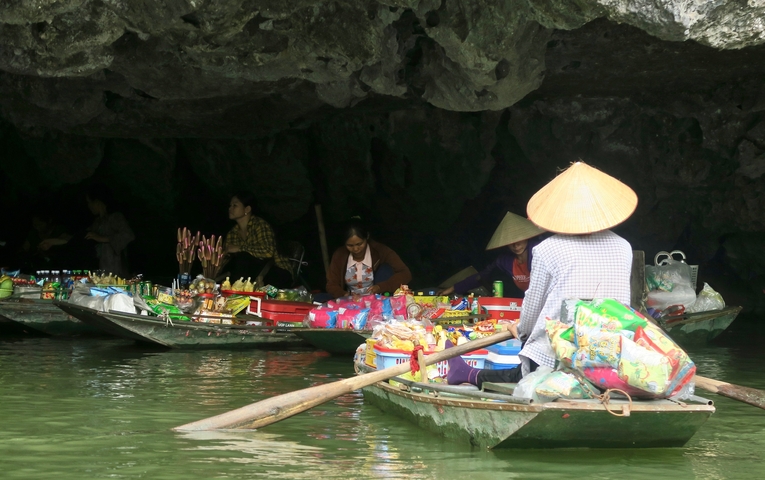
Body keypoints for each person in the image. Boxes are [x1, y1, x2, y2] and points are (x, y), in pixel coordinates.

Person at [447, 162, 636, 388]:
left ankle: (469, 375)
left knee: (532, 355)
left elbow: (532, 310)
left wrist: (521, 329)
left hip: (564, 350)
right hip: (612, 349)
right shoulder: (624, 246)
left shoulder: (548, 249)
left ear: (560, 211)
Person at [439, 212, 546, 297]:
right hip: (526, 300)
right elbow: (481, 276)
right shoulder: (505, 260)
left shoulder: (540, 251)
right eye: (511, 242)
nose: (516, 245)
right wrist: (453, 288)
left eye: (520, 240)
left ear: (527, 237)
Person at [222, 192, 294, 287]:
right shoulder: (232, 233)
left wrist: (239, 248)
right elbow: (225, 258)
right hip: (253, 274)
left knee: (243, 256)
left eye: (235, 205)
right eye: (230, 205)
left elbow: (268, 251)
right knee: (234, 264)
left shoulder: (260, 225)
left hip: (278, 272)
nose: (230, 208)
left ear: (247, 209)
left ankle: (237, 292)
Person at [326, 221, 412, 298]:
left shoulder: (380, 251)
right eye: (350, 245)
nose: (355, 249)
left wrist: (381, 287)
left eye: (359, 244)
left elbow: (405, 273)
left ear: (367, 237)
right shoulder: (340, 255)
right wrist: (345, 295)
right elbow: (331, 284)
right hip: (350, 303)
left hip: (378, 300)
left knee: (385, 269)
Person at [85, 185, 135, 278]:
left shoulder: (115, 217)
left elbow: (128, 235)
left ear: (97, 202)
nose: (88, 206)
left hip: (116, 270)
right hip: (101, 270)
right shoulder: (97, 222)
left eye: (89, 202)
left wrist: (102, 238)